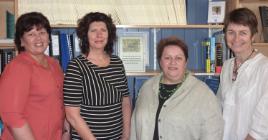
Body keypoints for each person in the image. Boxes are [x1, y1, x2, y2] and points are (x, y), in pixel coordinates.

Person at [130, 36, 223, 140]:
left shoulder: (204, 94)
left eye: (178, 58)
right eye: (167, 58)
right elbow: (134, 129)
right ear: (160, 62)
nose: (172, 62)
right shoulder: (146, 88)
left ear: (186, 62)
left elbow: (214, 134)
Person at [0, 12, 69, 140]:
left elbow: (60, 103)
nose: (38, 39)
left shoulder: (54, 64)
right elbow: (12, 116)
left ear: (49, 38)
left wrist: (65, 132)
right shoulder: (17, 68)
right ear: (21, 41)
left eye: (42, 33)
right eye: (31, 34)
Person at [63, 12, 131, 140]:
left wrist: (126, 135)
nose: (99, 35)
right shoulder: (76, 66)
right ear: (85, 35)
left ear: (109, 34)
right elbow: (72, 115)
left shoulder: (117, 62)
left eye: (103, 30)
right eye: (93, 30)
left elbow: (125, 102)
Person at [217, 8, 268, 140]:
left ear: (253, 36)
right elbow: (219, 107)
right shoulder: (227, 66)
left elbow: (263, 123)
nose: (236, 38)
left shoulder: (264, 68)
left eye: (243, 33)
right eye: (231, 32)